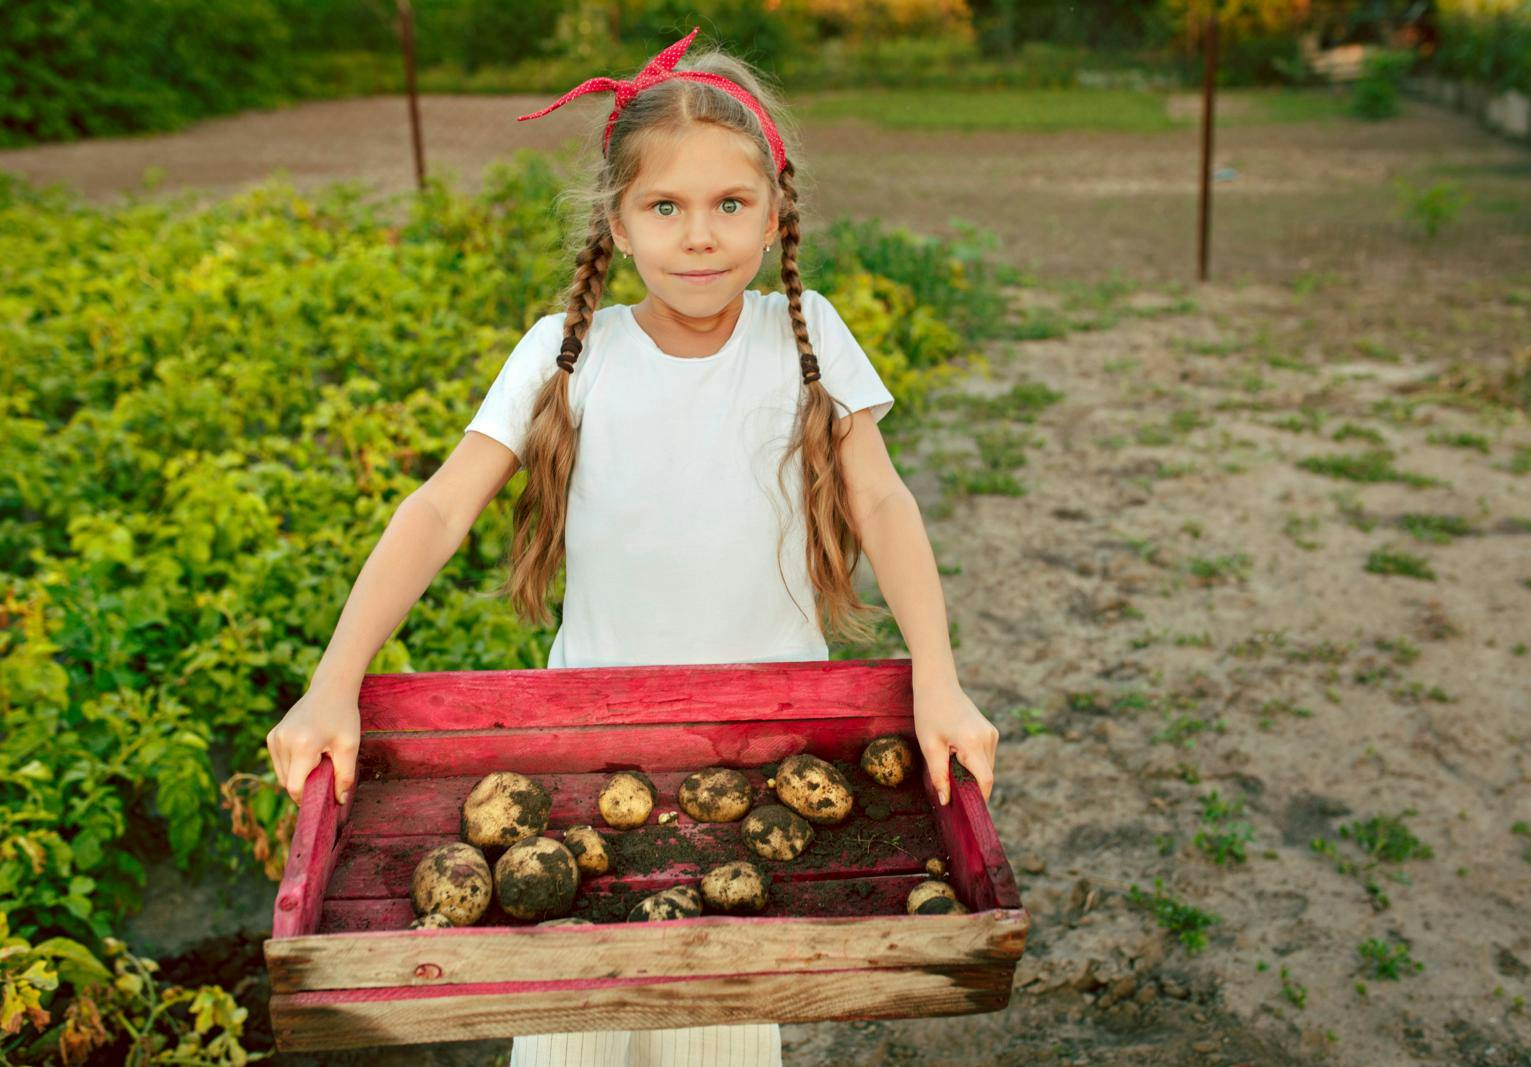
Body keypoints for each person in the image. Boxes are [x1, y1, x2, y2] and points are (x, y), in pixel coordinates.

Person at [264, 25, 999, 1067]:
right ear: (618, 219)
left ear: (775, 210)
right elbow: (437, 507)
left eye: (729, 204)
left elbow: (881, 502)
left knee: (715, 1036)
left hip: (758, 767)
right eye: (666, 206)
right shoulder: (569, 353)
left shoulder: (809, 334)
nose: (699, 236)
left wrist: (940, 680)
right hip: (587, 759)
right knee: (571, 1035)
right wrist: (334, 680)